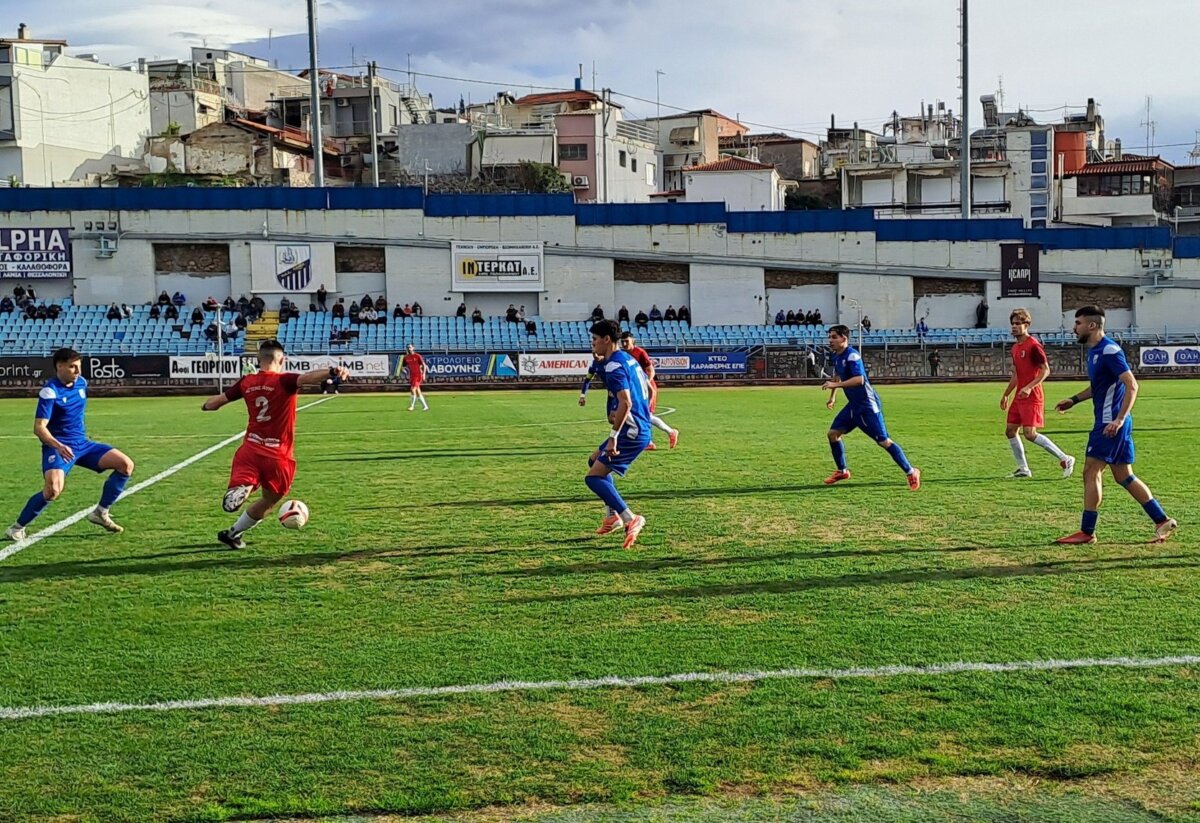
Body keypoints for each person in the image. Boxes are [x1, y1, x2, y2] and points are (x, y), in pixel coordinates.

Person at [201, 340, 349, 549]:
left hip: (249, 450)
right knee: (270, 500)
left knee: (247, 481)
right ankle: (237, 523)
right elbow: (307, 378)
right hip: (278, 455)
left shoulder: (247, 382)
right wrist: (333, 370)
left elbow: (215, 403)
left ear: (258, 360)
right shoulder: (285, 381)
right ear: (281, 359)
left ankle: (240, 504)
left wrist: (205, 405)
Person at [1052, 306, 1176, 545]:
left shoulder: (1109, 350)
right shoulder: (1095, 351)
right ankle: (1161, 520)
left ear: (1092, 326)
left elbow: (1132, 385)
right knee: (1124, 476)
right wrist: (1074, 400)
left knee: (1091, 472)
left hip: (1110, 424)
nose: (1073, 328)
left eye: (1077, 323)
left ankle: (1087, 532)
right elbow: (1099, 387)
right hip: (1115, 424)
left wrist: (1117, 420)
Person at [5, 348, 134, 541]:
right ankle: (16, 528)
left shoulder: (81, 383)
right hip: (58, 447)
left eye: (79, 367)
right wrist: (58, 445)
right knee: (53, 490)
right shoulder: (50, 391)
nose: (78, 372)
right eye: (73, 367)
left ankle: (101, 512)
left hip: (82, 445)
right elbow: (39, 428)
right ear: (60, 366)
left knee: (125, 465)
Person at [821, 324, 920, 490]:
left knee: (883, 441)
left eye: (833, 337)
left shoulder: (852, 356)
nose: (830, 340)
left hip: (867, 405)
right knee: (833, 434)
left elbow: (859, 380)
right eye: (829, 337)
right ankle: (842, 471)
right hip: (853, 405)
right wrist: (832, 397)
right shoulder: (837, 356)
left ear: (844, 339)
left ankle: (911, 471)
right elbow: (837, 377)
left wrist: (833, 385)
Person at [584, 319, 650, 549]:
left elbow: (626, 402)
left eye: (594, 339)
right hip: (638, 427)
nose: (592, 344)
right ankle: (612, 516)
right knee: (594, 460)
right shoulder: (628, 359)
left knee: (593, 478)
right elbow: (648, 390)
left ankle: (630, 518)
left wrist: (613, 435)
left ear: (607, 340)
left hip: (630, 432)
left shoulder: (614, 366)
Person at [1000, 308, 1075, 480]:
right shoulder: (1015, 348)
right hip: (1020, 397)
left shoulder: (1034, 346)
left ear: (1026, 325)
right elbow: (1017, 374)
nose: (1014, 327)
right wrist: (1006, 394)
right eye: (1012, 323)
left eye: (1018, 324)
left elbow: (1045, 371)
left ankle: (1065, 458)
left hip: (1032, 397)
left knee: (1029, 434)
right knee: (1010, 431)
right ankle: (1023, 468)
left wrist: (1029, 387)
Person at [620, 330, 679, 449]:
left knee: (647, 415)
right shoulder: (623, 354)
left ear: (633, 341)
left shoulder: (640, 352)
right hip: (635, 389)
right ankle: (649, 442)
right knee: (639, 414)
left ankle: (670, 432)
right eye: (622, 342)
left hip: (646, 388)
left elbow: (651, 370)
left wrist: (646, 382)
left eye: (627, 341)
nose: (624, 344)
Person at [402, 344, 429, 411]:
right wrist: (403, 370)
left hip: (418, 375)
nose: (409, 348)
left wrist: (424, 374)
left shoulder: (417, 356)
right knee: (417, 391)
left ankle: (412, 406)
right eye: (408, 347)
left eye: (410, 347)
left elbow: (424, 365)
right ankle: (425, 406)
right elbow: (403, 366)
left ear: (413, 348)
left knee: (412, 389)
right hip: (412, 376)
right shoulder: (406, 357)